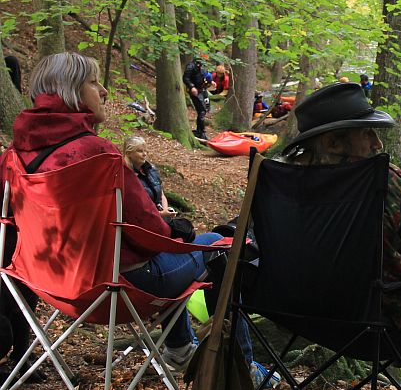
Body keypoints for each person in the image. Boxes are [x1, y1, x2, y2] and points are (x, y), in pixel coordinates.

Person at [0, 52, 250, 373]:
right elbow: (151, 234)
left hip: (52, 288)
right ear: (70, 90)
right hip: (117, 289)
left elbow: (12, 232)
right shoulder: (98, 156)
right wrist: (178, 232)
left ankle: (181, 349)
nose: (103, 91)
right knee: (219, 246)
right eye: (93, 82)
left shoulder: (13, 158)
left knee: (180, 259)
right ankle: (238, 369)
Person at [279, 82, 401, 390]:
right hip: (372, 320)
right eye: (367, 134)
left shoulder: (280, 182)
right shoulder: (378, 180)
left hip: (295, 311)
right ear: (334, 141)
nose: (378, 143)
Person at [123, 136, 176, 218]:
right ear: (129, 153)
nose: (144, 154)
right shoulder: (126, 176)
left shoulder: (151, 170)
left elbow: (161, 193)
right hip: (144, 221)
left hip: (159, 216)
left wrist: (165, 210)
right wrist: (160, 214)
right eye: (140, 151)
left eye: (145, 151)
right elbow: (136, 209)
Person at [182, 55, 216, 140]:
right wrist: (191, 87)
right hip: (195, 91)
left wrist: (211, 81)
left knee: (204, 110)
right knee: (201, 110)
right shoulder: (191, 66)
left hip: (202, 90)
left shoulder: (202, 66)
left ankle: (199, 131)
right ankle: (201, 132)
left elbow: (204, 75)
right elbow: (186, 78)